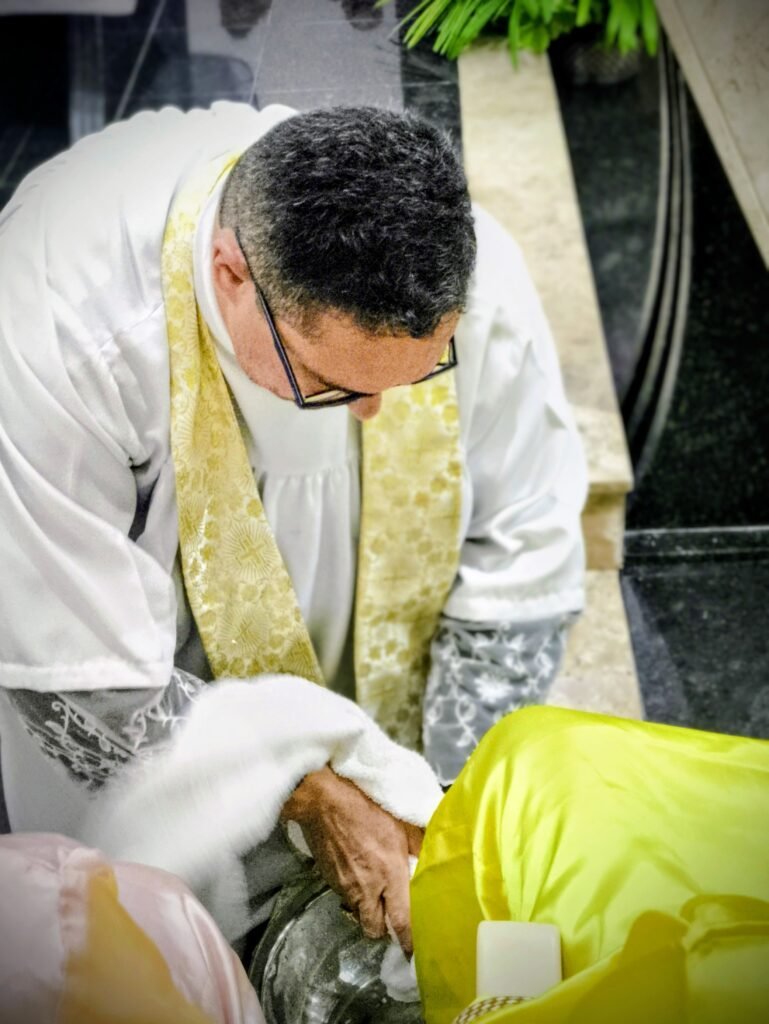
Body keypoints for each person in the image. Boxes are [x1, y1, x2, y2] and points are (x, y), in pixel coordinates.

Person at [0, 102, 587, 949]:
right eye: (331, 383)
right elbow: (81, 669)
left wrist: (444, 806)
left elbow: (517, 568)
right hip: (153, 659)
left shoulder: (473, 279)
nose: (375, 414)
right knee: (155, 950)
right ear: (229, 274)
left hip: (390, 651)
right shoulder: (55, 326)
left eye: (413, 377)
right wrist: (306, 790)